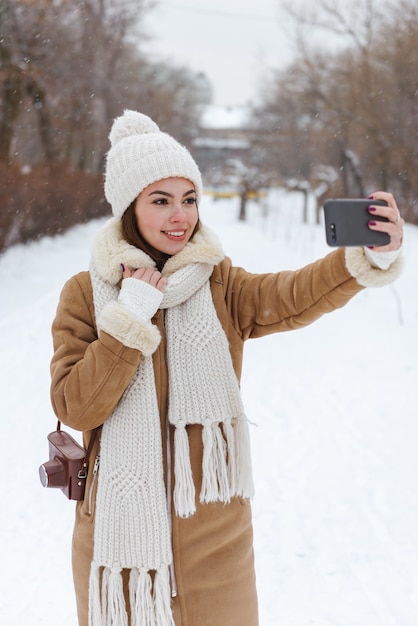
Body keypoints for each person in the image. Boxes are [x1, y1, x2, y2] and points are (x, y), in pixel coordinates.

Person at [50, 110, 404, 626]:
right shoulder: (86, 295)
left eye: (189, 199)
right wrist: (129, 317)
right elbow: (77, 404)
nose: (180, 217)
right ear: (129, 207)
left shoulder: (218, 283)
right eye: (161, 201)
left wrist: (364, 258)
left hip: (215, 532)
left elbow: (290, 295)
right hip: (116, 539)